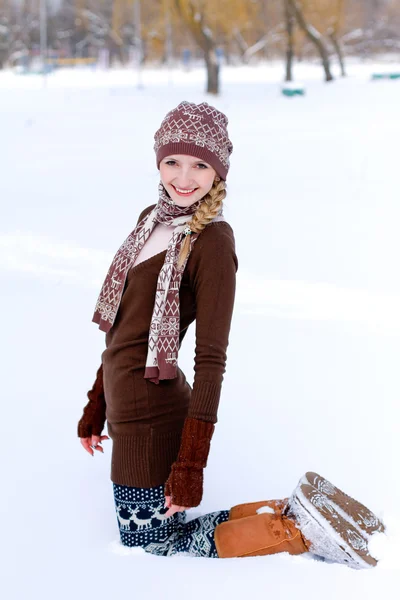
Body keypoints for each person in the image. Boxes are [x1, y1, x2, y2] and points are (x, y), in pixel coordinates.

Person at [77, 101, 384, 565]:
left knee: (148, 542)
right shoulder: (151, 220)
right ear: (158, 161)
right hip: (127, 406)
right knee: (163, 533)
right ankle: (287, 512)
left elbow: (211, 360)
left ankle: (295, 531)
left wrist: (190, 467)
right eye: (173, 161)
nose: (184, 177)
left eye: (201, 164)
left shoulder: (213, 243)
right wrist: (96, 406)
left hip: (153, 415)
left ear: (218, 171)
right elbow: (124, 330)